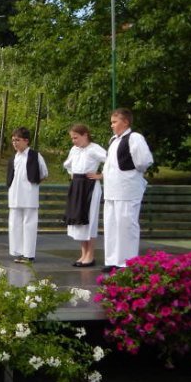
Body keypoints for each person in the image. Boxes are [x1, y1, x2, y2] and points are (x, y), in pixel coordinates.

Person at [101, 108, 153, 272]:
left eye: (115, 122)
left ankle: (127, 262)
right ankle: (112, 260)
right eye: (111, 122)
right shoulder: (113, 140)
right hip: (112, 190)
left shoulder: (134, 138)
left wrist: (131, 174)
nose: (112, 125)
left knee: (126, 225)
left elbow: (144, 161)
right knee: (111, 225)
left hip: (127, 189)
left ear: (126, 122)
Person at [62, 124, 107, 268]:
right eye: (72, 138)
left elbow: (111, 160)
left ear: (85, 135)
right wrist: (73, 175)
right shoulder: (74, 150)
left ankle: (90, 255)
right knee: (78, 218)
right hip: (77, 184)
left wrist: (101, 175)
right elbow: (67, 165)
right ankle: (83, 253)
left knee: (89, 218)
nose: (73, 141)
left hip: (89, 185)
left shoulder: (94, 148)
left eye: (76, 137)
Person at [7, 127, 49, 264]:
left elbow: (44, 173)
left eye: (17, 140)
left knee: (29, 223)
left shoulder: (35, 155)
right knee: (15, 224)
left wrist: (33, 184)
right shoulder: (13, 157)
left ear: (26, 141)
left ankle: (29, 254)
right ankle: (18, 252)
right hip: (15, 195)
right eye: (13, 140)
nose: (15, 143)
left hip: (29, 195)